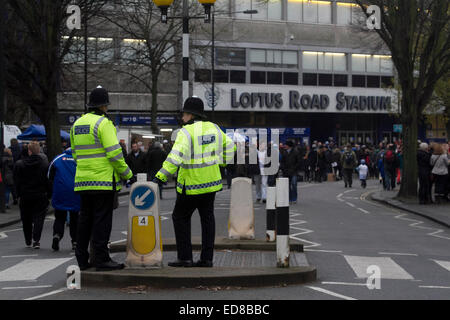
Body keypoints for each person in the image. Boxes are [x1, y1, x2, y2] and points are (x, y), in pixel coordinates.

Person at [154, 97, 235, 268]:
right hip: (211, 184)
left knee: (180, 217)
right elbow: (231, 146)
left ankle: (185, 258)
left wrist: (161, 176)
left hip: (190, 186)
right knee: (208, 220)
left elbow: (175, 157)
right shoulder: (214, 128)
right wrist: (222, 162)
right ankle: (207, 259)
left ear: (190, 115)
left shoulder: (186, 132)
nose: (182, 117)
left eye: (184, 114)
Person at [70, 86, 133, 271]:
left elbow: (75, 154)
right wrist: (127, 174)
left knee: (84, 220)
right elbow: (115, 155)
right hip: (103, 182)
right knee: (101, 222)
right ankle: (101, 259)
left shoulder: (77, 125)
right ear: (104, 106)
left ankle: (82, 259)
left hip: (83, 181)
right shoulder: (104, 124)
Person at [13, 141, 50, 249]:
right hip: (40, 194)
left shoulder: (19, 164)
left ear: (29, 151)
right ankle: (36, 240)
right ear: (38, 151)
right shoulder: (44, 164)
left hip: (25, 195)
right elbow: (47, 181)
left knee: (26, 218)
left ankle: (28, 239)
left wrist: (17, 195)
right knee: (39, 218)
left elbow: (17, 181)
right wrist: (49, 193)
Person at [48, 147, 80, 251]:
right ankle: (75, 241)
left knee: (59, 217)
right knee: (75, 218)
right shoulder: (79, 159)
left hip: (60, 191)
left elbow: (49, 175)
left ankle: (57, 235)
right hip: (76, 191)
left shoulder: (58, 158)